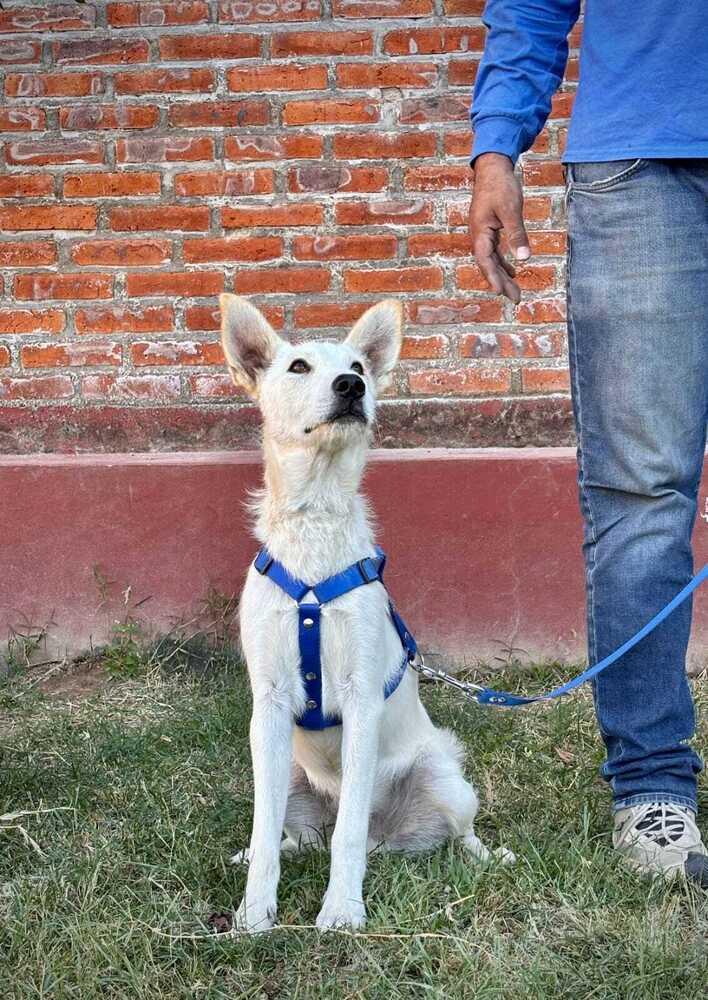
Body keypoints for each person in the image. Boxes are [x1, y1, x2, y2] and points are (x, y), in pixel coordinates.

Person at [468, 0, 708, 886]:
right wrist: (497, 149)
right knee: (643, 489)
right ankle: (653, 787)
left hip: (639, 155)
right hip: (642, 163)